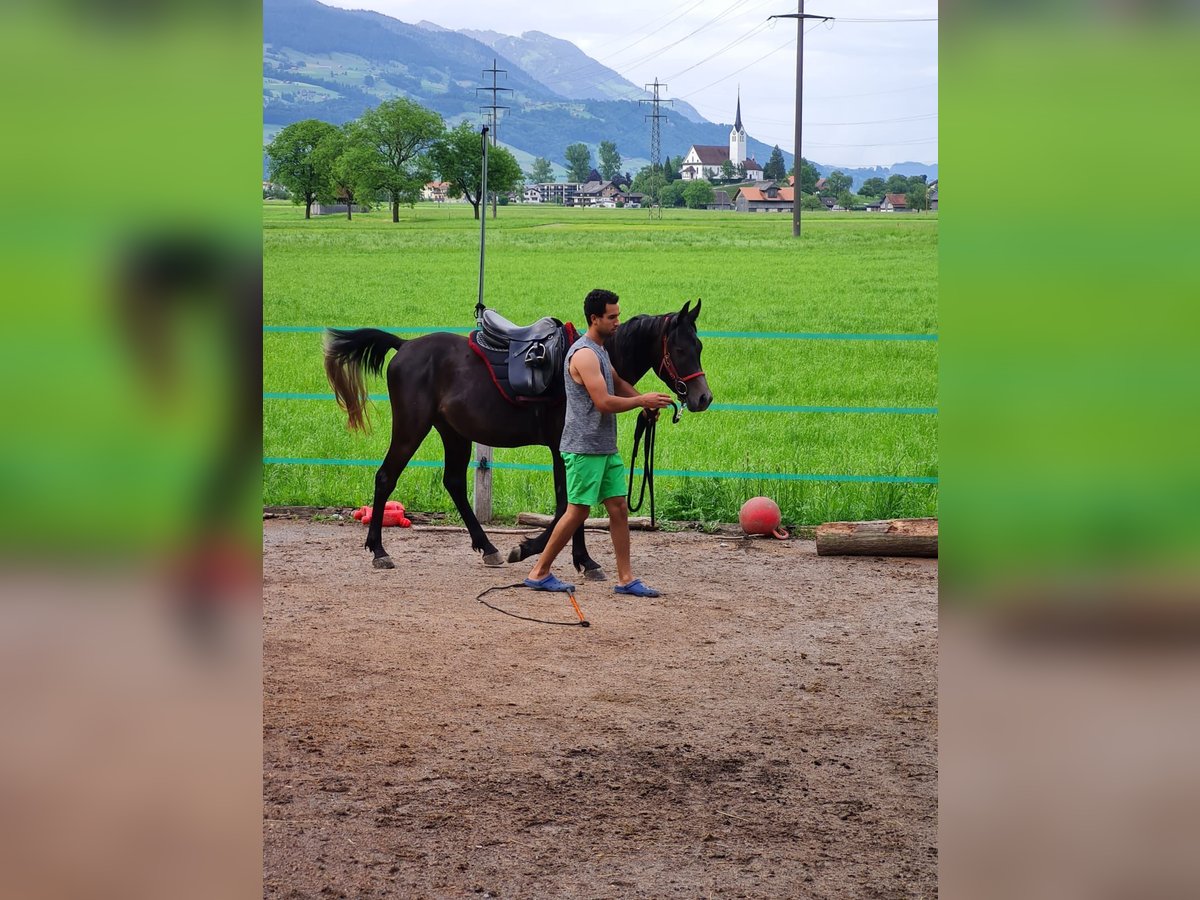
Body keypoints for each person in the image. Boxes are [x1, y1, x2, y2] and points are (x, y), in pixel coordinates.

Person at [525, 289, 674, 597]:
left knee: (618, 508)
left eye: (618, 315)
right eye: (612, 317)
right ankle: (539, 572)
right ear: (595, 319)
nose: (618, 321)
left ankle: (625, 578)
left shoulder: (601, 350)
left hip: (604, 446)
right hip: (584, 448)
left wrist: (642, 401)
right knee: (577, 511)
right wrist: (642, 400)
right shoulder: (584, 355)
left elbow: (617, 382)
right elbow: (604, 401)